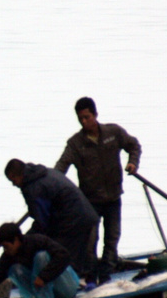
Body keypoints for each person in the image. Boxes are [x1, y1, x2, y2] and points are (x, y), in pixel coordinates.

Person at [54, 97, 141, 277]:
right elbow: (61, 166)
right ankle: (90, 275)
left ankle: (107, 273)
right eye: (81, 119)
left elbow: (134, 145)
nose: (84, 122)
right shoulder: (75, 144)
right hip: (89, 202)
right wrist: (52, 184)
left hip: (114, 197)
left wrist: (132, 163)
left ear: (95, 114)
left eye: (87, 117)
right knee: (90, 241)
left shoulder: (113, 133)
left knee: (112, 238)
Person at [4, 157, 99, 276]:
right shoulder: (42, 172)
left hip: (74, 220)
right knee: (78, 254)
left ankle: (70, 284)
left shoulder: (34, 188)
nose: (13, 184)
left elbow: (42, 221)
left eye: (13, 180)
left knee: (58, 253)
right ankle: (85, 277)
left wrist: (25, 241)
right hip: (86, 214)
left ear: (18, 175)